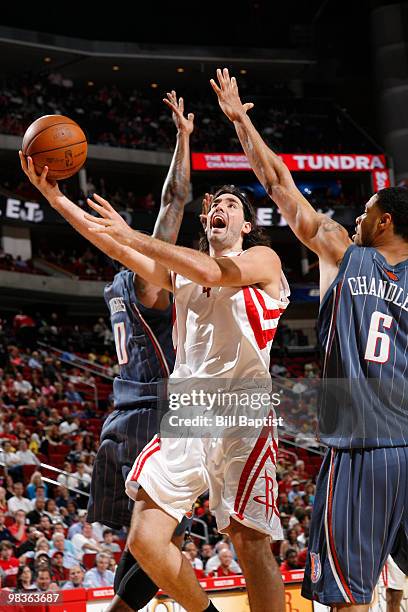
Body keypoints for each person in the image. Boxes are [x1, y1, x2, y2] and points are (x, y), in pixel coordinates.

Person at [211, 67, 408, 610]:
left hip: (362, 447)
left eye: (366, 212)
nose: (357, 216)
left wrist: (240, 123)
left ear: (385, 223)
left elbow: (278, 185)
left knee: (346, 596)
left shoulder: (346, 251)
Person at [81, 163, 289, 610]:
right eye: (215, 204)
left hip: (242, 412)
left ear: (246, 225)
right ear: (205, 221)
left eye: (231, 205)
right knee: (144, 539)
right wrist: (56, 197)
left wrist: (131, 234)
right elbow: (114, 244)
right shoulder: (183, 274)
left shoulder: (262, 260)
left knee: (248, 541)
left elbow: (215, 273)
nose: (221, 208)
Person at [20, 91, 193, 612]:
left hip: (120, 423)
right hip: (156, 420)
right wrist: (185, 139)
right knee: (165, 541)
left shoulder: (115, 286)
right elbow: (174, 202)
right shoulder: (147, 285)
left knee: (146, 541)